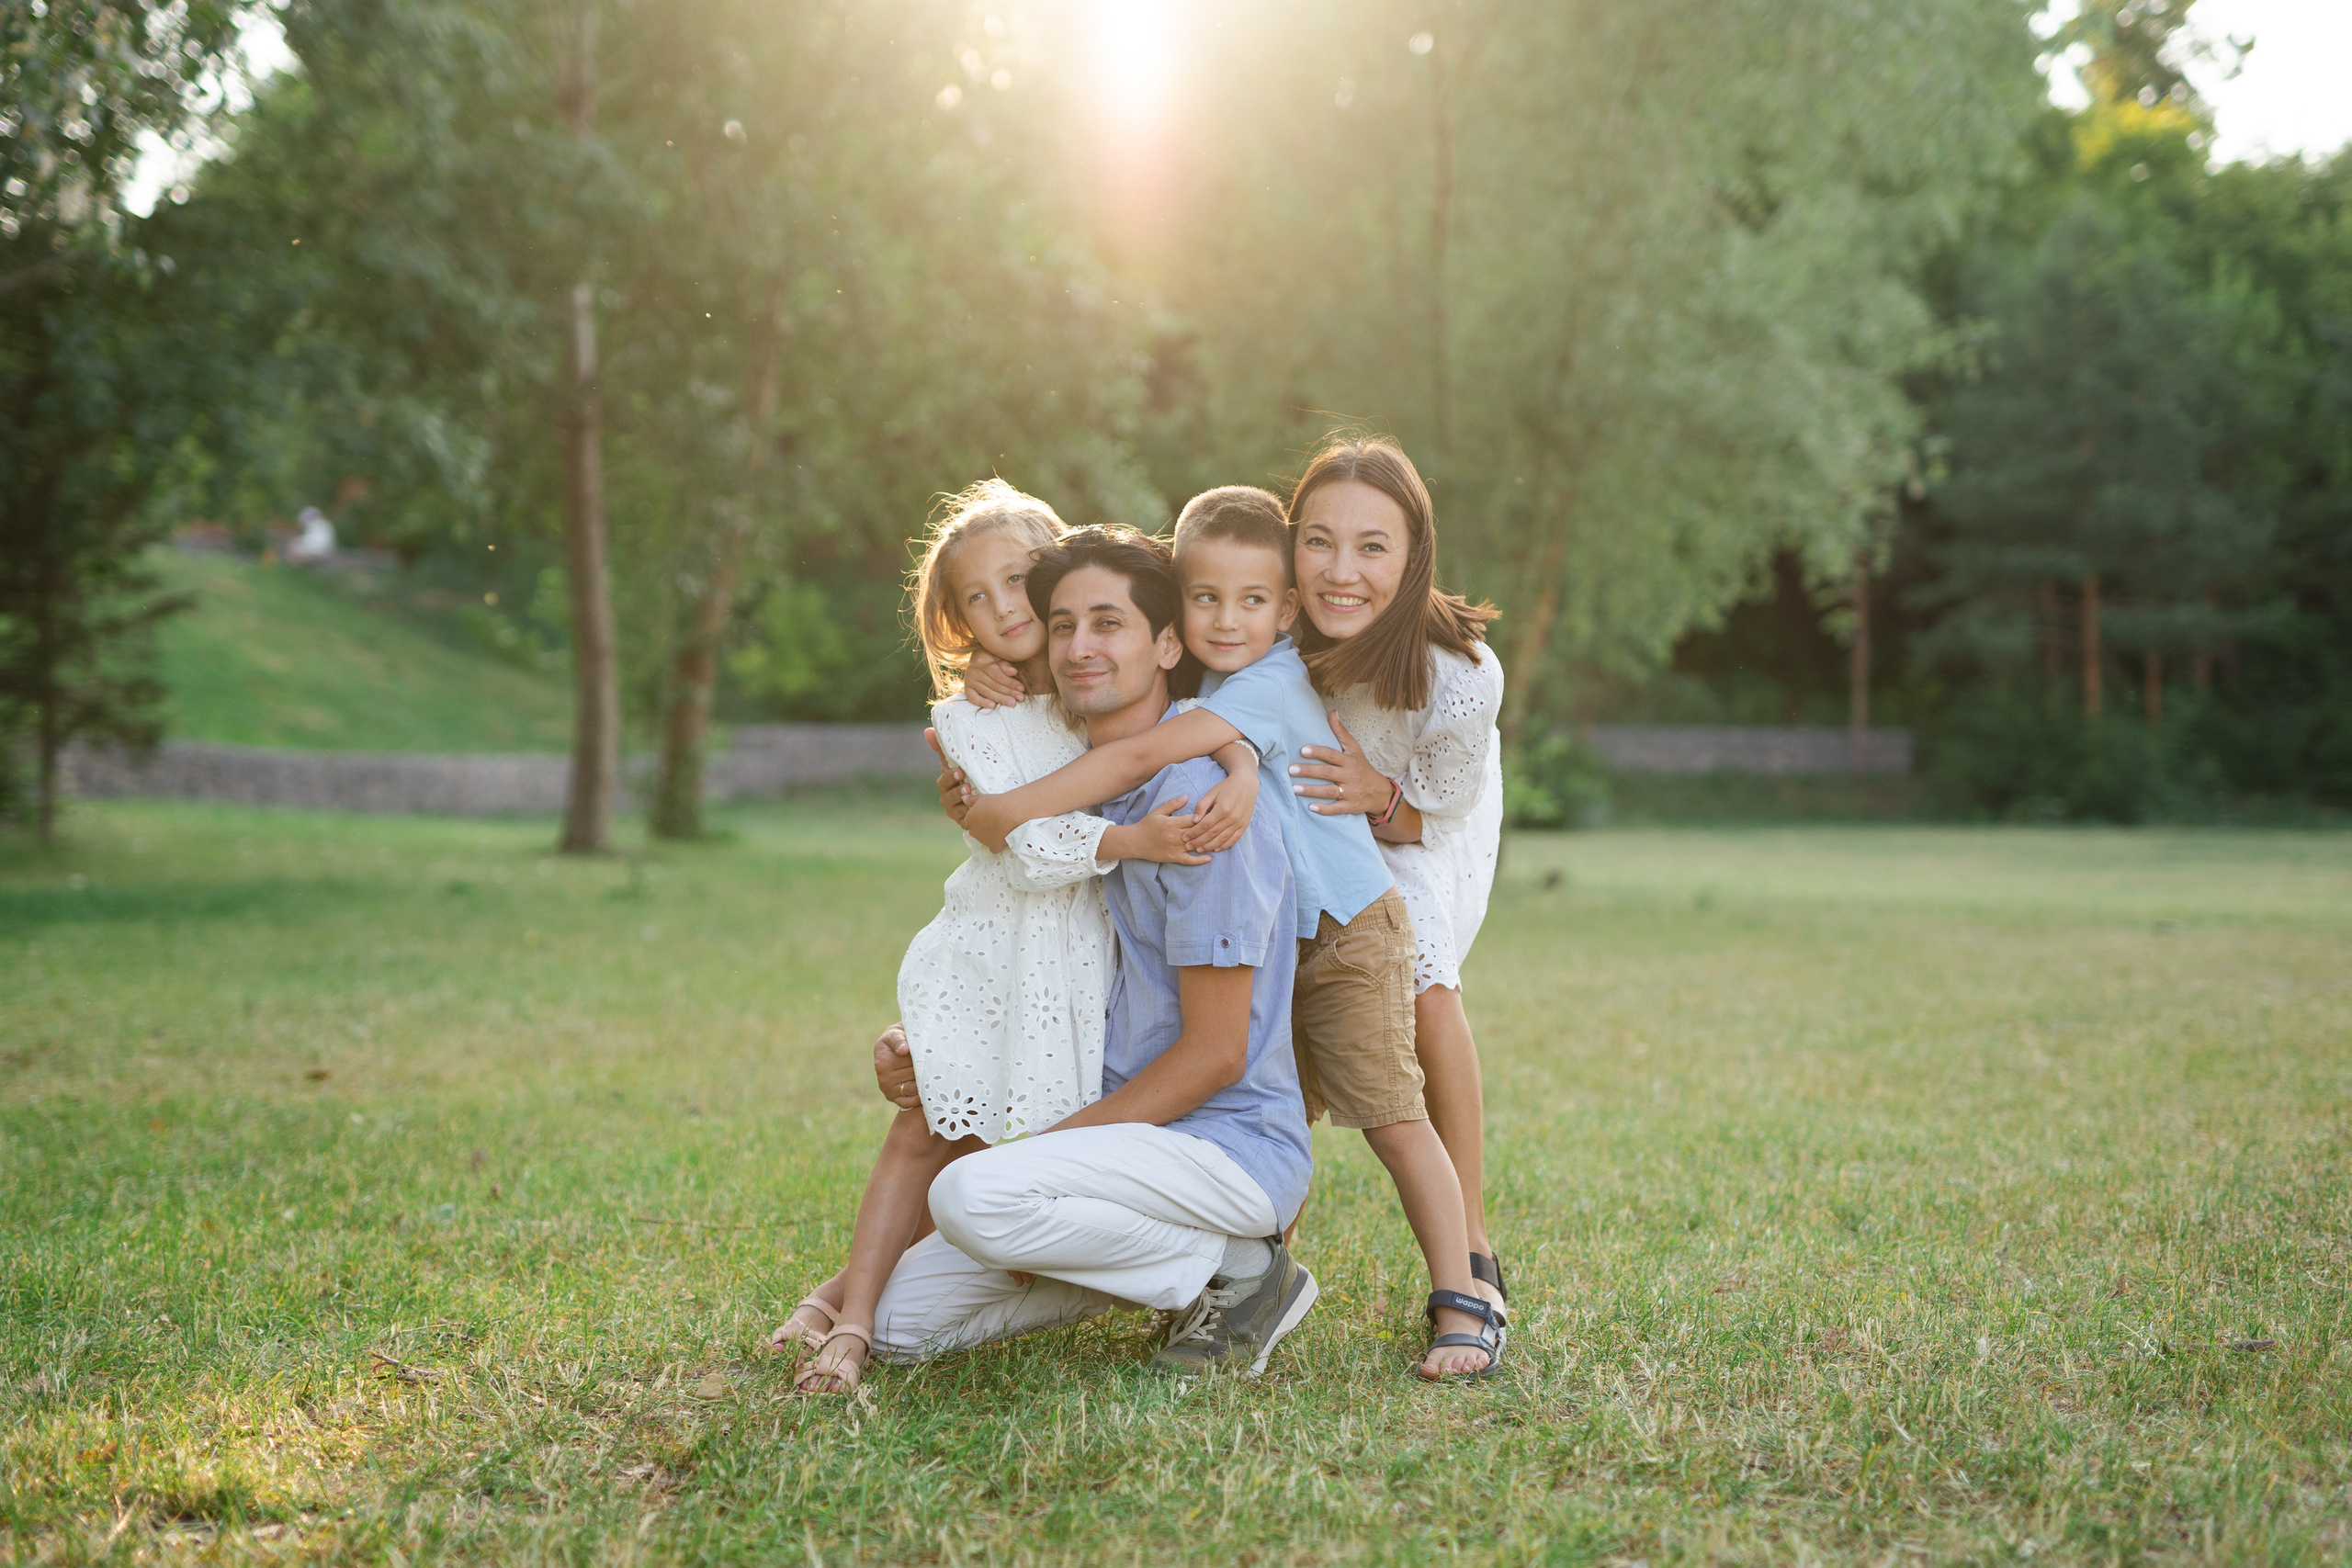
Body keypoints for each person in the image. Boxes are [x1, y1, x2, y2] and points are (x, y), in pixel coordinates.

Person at [950, 488, 1506, 1379]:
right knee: (1280, 1100)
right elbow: (1117, 702)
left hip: (1348, 929)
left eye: (1250, 601)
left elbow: (1138, 755)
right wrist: (987, 666)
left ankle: (1464, 1295)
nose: (1224, 619)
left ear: (1284, 611)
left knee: (1392, 1117)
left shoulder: (1270, 679)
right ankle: (1246, 1281)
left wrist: (1003, 811)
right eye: (1204, 598)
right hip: (1282, 935)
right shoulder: (1213, 682)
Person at [770, 483, 1255, 1394]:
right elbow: (1021, 842)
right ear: (958, 623)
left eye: (1018, 582)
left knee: (988, 1151)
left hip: (1077, 973)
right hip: (1000, 947)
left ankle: (1208, 1266)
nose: (1006, 610)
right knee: (933, 1127)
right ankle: (849, 1313)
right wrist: (1127, 841)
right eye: (977, 599)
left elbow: (1197, 722)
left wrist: (1242, 764)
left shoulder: (1095, 705)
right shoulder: (980, 714)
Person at [862, 526, 1320, 1377]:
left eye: (1108, 623)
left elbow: (1217, 1054)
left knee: (970, 1193)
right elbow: (1022, 950)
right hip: (1117, 1149)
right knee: (900, 1326)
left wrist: (1040, 1158)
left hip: (1224, 1144)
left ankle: (1246, 1268)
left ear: (1168, 645)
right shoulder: (1081, 796)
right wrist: (930, 1043)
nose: (1079, 647)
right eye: (1063, 625)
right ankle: (1171, 1272)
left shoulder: (1200, 808)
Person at [1281, 437, 1512, 1313]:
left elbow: (1433, 815)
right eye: (1318, 541)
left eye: (1372, 547)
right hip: (1298, 823)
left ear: (1414, 556)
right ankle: (1261, 1243)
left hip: (1413, 827)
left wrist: (1377, 794)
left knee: (1423, 981)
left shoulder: (1460, 674)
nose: (1341, 572)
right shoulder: (1267, 630)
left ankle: (1471, 1240)